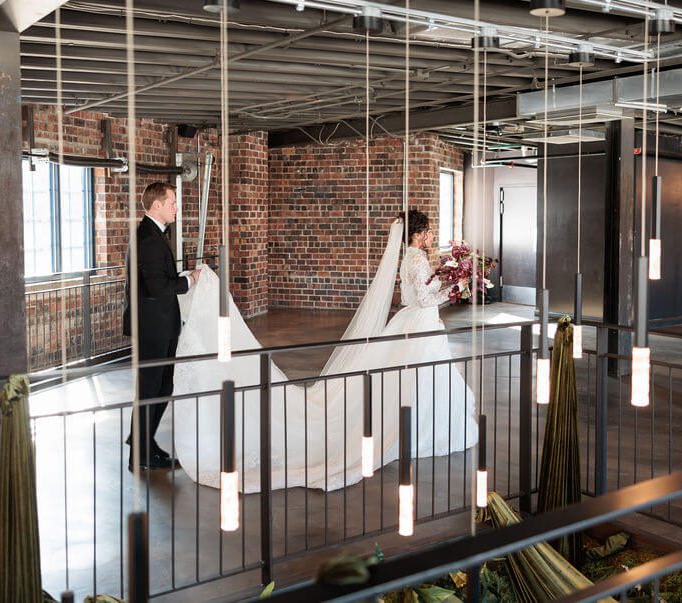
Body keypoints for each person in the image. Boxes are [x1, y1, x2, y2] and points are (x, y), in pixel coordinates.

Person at [165, 208, 478, 492]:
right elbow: (424, 298)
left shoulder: (408, 258)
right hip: (420, 321)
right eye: (429, 231)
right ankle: (419, 429)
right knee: (419, 377)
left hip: (412, 321)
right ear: (420, 233)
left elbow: (416, 294)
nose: (432, 236)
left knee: (411, 376)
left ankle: (412, 423)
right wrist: (453, 287)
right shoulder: (419, 259)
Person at [122, 182, 200, 471]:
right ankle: (141, 454)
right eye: (172, 202)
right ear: (157, 205)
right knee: (152, 387)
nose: (176, 207)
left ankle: (143, 443)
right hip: (153, 326)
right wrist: (188, 281)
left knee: (160, 386)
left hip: (159, 324)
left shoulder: (152, 234)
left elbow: (155, 277)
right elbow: (156, 287)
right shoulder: (149, 239)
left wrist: (180, 276)